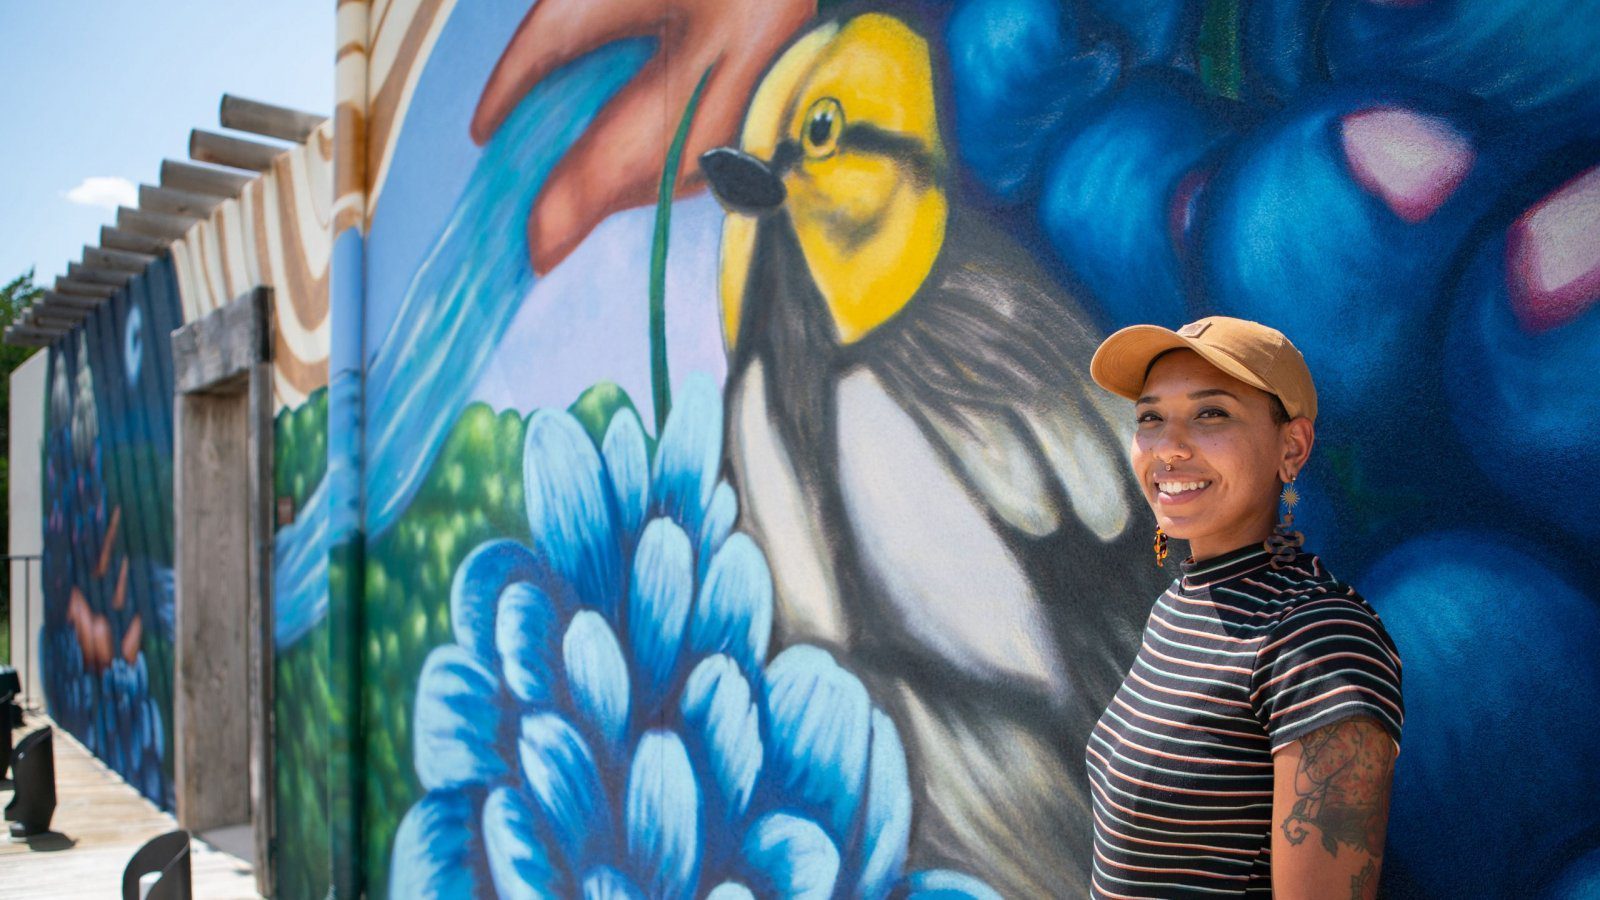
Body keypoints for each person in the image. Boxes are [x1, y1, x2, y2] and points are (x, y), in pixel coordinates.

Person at [1085, 316, 1404, 898]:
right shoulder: (1180, 605)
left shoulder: (1320, 640)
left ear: (1292, 446)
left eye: (1212, 414)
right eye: (1150, 417)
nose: (1169, 448)